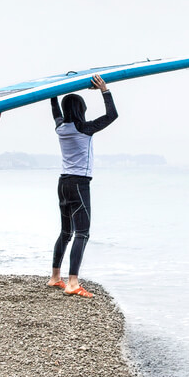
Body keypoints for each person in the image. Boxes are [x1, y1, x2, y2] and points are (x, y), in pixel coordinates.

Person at [48, 73, 117, 297]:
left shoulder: (60, 127)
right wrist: (104, 90)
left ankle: (55, 277)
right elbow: (112, 115)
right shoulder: (85, 128)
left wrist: (52, 93)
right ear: (81, 109)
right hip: (79, 183)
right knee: (82, 233)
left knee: (66, 232)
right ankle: (73, 283)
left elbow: (55, 110)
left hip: (63, 183)